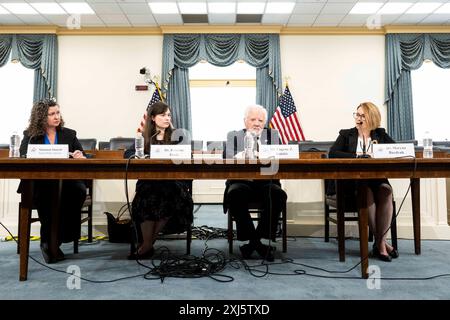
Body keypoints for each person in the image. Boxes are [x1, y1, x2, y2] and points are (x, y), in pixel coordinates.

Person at [18, 99, 87, 264]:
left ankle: (57, 239)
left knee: (79, 190)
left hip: (67, 183)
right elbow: (22, 155)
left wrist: (79, 156)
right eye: (52, 114)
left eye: (58, 112)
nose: (56, 117)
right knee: (47, 193)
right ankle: (48, 241)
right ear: (42, 117)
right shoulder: (31, 135)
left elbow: (83, 155)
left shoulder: (69, 134)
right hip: (40, 182)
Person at [328, 102, 399, 262]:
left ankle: (379, 241)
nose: (358, 118)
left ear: (372, 118)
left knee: (386, 190)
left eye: (362, 116)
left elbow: (395, 150)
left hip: (376, 178)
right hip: (352, 182)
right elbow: (333, 153)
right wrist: (357, 157)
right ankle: (381, 246)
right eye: (357, 114)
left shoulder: (380, 134)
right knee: (365, 191)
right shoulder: (347, 134)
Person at [125, 101, 193, 259]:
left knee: (168, 196)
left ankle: (147, 246)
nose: (167, 118)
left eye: (169, 115)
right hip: (149, 182)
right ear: (153, 118)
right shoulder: (145, 137)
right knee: (148, 197)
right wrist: (143, 156)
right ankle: (148, 245)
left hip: (173, 183)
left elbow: (188, 156)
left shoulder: (178, 136)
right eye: (163, 115)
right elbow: (128, 154)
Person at [223, 104, 287, 262]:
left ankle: (253, 242)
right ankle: (257, 243)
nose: (257, 123)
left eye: (261, 120)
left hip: (266, 182)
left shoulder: (273, 136)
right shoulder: (234, 136)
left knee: (278, 194)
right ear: (245, 121)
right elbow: (227, 157)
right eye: (253, 119)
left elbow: (281, 158)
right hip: (241, 181)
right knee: (235, 193)